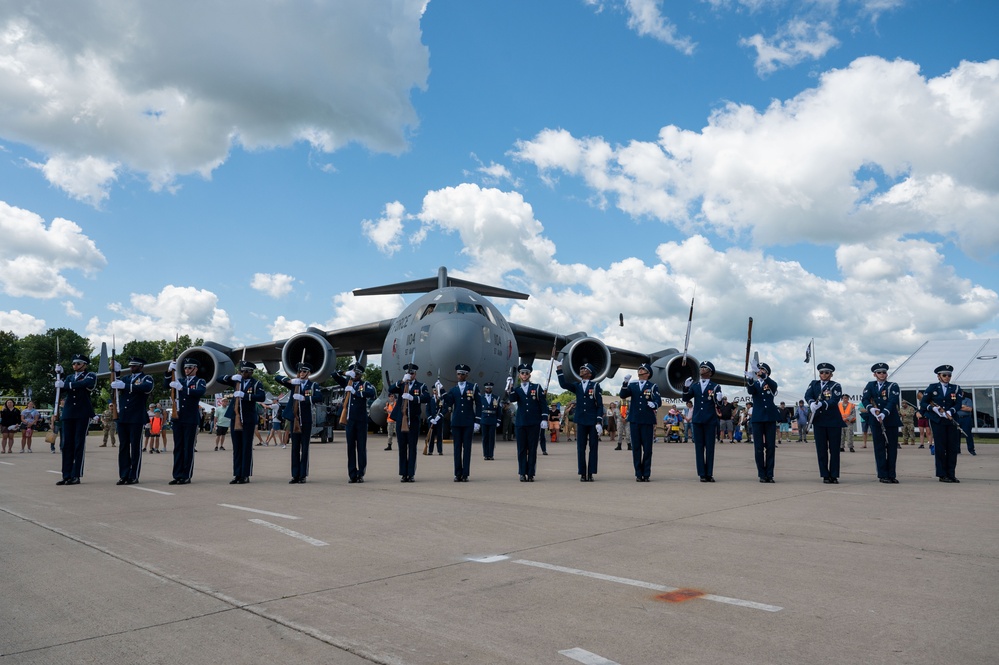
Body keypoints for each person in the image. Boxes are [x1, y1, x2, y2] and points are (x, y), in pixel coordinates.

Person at [220, 360, 266, 484]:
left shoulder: (256, 383)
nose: (243, 373)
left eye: (246, 371)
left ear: (251, 372)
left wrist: (246, 396)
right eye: (241, 371)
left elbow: (262, 397)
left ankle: (245, 475)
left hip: (248, 417)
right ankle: (237, 474)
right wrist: (231, 377)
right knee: (237, 447)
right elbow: (220, 379)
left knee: (246, 447)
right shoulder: (236, 381)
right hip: (235, 417)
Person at [557, 362, 604, 482]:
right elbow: (563, 385)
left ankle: (591, 472)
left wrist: (599, 421)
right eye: (581, 368)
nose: (581, 370)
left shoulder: (595, 386)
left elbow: (599, 405)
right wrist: (559, 370)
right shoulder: (577, 385)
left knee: (593, 447)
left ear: (589, 373)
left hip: (593, 420)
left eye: (584, 369)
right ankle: (582, 473)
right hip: (581, 420)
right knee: (580, 447)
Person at [110, 357, 154, 485]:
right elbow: (114, 389)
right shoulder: (126, 378)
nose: (132, 368)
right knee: (123, 447)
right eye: (131, 366)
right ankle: (123, 474)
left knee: (135, 447)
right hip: (123, 416)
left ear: (141, 366)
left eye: (134, 366)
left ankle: (133, 475)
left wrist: (126, 386)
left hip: (136, 417)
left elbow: (146, 388)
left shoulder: (147, 378)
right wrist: (116, 374)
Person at [56, 353, 97, 485]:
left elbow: (86, 384)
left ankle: (76, 474)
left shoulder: (90, 375)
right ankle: (66, 474)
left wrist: (67, 384)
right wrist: (59, 376)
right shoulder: (68, 377)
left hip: (82, 413)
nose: (75, 365)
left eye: (78, 363)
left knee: (78, 444)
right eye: (74, 363)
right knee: (66, 444)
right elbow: (60, 390)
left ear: (84, 365)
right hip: (68, 413)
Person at [165, 357, 207, 485]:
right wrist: (169, 372)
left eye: (189, 367)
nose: (186, 369)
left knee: (188, 447)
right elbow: (166, 385)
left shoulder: (200, 381)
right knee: (178, 447)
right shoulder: (180, 380)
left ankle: (186, 475)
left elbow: (200, 392)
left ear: (195, 369)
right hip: (178, 418)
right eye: (185, 368)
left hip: (190, 418)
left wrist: (183, 388)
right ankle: (177, 474)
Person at [619, 363, 662, 482]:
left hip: (647, 420)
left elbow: (658, 400)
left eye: (643, 369)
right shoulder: (633, 385)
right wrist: (625, 383)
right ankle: (638, 473)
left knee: (647, 448)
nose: (640, 371)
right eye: (639, 369)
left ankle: (646, 473)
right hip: (635, 420)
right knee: (636, 448)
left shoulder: (652, 386)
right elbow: (623, 395)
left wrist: (655, 404)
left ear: (647, 374)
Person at [920, 365, 963, 483]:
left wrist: (950, 411)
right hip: (937, 421)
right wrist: (934, 409)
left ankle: (951, 473)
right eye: (944, 375)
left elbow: (958, 404)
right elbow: (923, 403)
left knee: (952, 448)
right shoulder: (932, 388)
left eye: (949, 375)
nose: (947, 377)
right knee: (940, 447)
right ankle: (942, 474)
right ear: (939, 376)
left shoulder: (956, 388)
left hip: (950, 420)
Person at [332, 362, 373, 483]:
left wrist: (356, 392)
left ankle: (361, 473)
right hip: (349, 420)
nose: (355, 375)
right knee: (350, 447)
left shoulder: (365, 384)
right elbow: (334, 375)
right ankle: (352, 474)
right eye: (353, 373)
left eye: (357, 373)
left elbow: (371, 393)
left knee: (361, 447)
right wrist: (345, 373)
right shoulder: (346, 382)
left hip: (361, 420)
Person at [389, 363, 431, 482]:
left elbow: (427, 397)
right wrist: (401, 381)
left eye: (412, 373)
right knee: (402, 447)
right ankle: (403, 473)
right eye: (408, 373)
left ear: (415, 374)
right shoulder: (402, 385)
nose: (410, 375)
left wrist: (414, 398)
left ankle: (411, 473)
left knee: (412, 447)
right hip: (401, 419)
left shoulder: (420, 385)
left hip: (413, 420)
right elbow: (391, 389)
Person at [804, 362, 845, 484]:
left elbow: (834, 400)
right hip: (819, 422)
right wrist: (811, 402)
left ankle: (834, 475)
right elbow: (807, 395)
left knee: (834, 450)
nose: (824, 374)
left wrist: (823, 404)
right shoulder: (814, 384)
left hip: (833, 421)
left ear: (831, 374)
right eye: (822, 372)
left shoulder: (835, 386)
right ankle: (825, 474)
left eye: (827, 372)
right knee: (821, 449)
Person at [682, 361, 723, 482]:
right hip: (698, 420)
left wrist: (719, 400)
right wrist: (685, 387)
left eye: (705, 368)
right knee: (699, 448)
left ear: (710, 372)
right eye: (701, 367)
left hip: (710, 420)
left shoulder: (715, 386)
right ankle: (702, 474)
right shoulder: (695, 386)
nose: (702, 369)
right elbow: (686, 398)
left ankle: (709, 473)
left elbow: (718, 403)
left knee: (710, 448)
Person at [440, 364, 482, 482]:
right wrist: (442, 391)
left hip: (468, 422)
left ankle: (465, 474)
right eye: (458, 374)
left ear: (466, 375)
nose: (460, 376)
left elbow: (479, 404)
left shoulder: (473, 387)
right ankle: (457, 473)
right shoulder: (453, 390)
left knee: (467, 448)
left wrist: (477, 421)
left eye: (462, 374)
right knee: (457, 448)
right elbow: (448, 402)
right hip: (457, 422)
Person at [861, 362, 901, 484]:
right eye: (879, 372)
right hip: (875, 420)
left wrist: (884, 413)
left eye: (884, 372)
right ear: (875, 374)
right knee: (879, 448)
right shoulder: (870, 385)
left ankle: (891, 474)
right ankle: (883, 474)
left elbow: (892, 401)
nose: (882, 374)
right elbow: (865, 399)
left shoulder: (892, 386)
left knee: (892, 448)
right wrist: (871, 409)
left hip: (890, 420)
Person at [506, 363, 546, 482]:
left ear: (529, 374)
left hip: (534, 422)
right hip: (521, 423)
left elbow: (543, 404)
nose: (524, 375)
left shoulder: (536, 387)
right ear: (519, 375)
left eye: (526, 373)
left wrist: (544, 418)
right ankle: (522, 472)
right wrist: (510, 387)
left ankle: (531, 473)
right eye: (522, 373)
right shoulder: (517, 389)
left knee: (532, 449)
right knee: (522, 449)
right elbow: (512, 399)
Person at [746, 362, 779, 483]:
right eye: (758, 370)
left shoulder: (770, 383)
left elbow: (774, 386)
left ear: (767, 372)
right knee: (758, 448)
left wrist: (765, 376)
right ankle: (762, 474)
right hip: (758, 418)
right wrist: (749, 378)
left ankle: (770, 474)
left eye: (762, 370)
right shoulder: (755, 384)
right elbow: (750, 390)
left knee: (770, 447)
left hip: (770, 417)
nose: (760, 371)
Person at [479, 382, 500, 459]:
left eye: (490, 388)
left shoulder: (496, 398)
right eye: (487, 388)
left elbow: (499, 410)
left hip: (492, 420)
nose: (488, 389)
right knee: (485, 438)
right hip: (484, 420)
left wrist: (498, 420)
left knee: (491, 438)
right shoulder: (481, 398)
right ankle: (485, 454)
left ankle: (491, 455)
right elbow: (478, 410)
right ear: (485, 388)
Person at [424, 388, 443, 455]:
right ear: (432, 391)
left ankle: (440, 450)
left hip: (439, 421)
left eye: (437, 390)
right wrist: (430, 418)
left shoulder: (441, 399)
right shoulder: (429, 399)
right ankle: (430, 450)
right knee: (431, 436)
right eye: (434, 390)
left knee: (439, 436)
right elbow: (427, 410)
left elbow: (443, 409)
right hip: (432, 421)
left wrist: (439, 416)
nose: (436, 392)